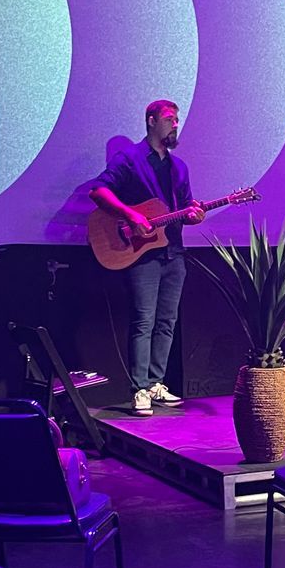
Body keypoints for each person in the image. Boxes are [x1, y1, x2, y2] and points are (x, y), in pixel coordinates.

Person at [90, 100, 204, 414]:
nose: (175, 124)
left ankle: (156, 383)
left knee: (167, 322)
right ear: (151, 121)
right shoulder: (129, 159)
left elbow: (185, 208)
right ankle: (139, 388)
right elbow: (99, 191)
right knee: (144, 321)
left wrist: (194, 215)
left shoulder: (179, 168)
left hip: (173, 252)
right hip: (142, 255)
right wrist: (131, 215)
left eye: (177, 119)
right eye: (169, 119)